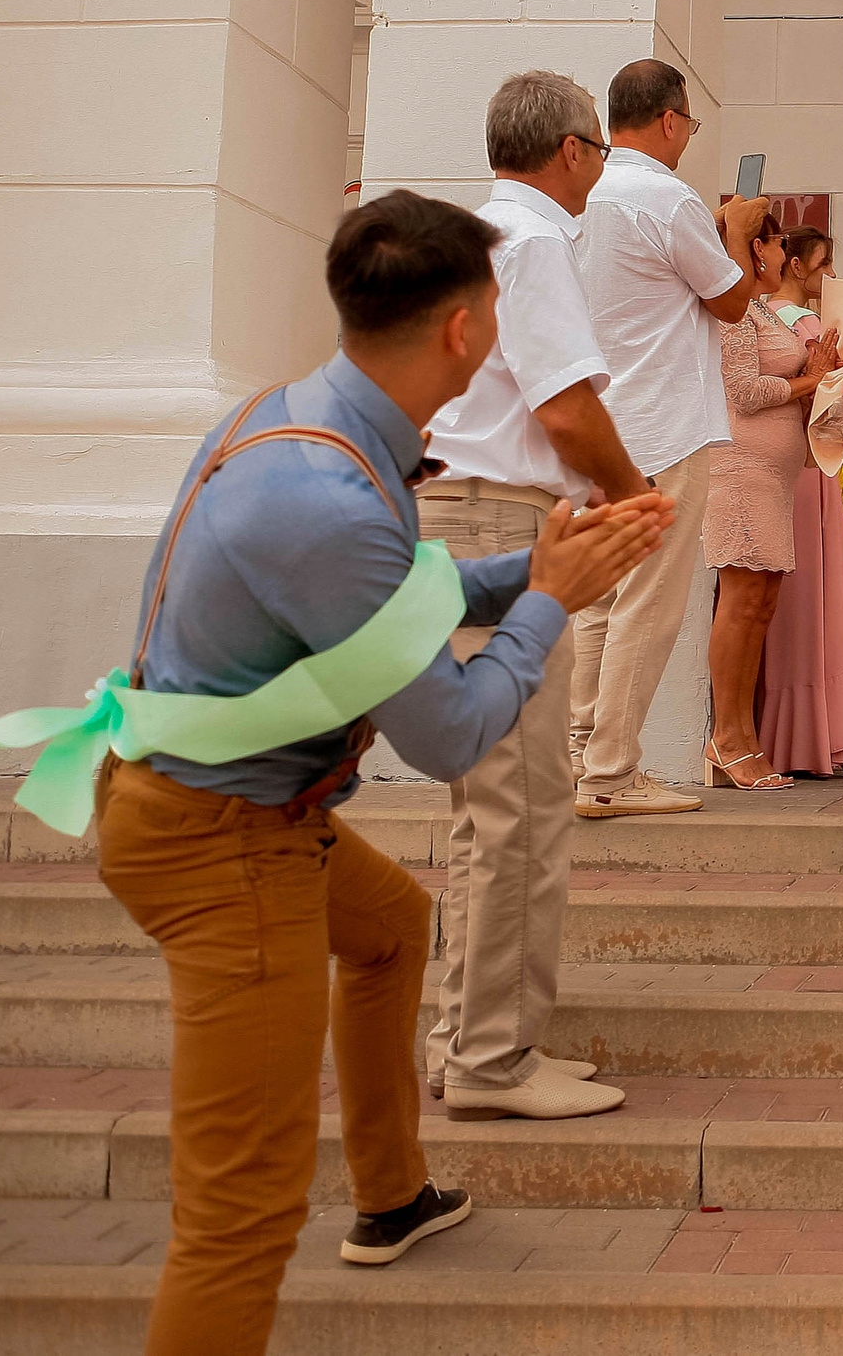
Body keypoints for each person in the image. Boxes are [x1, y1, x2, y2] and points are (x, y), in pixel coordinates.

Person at [95, 190, 667, 1353]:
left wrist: (529, 568)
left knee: (394, 927)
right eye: (497, 309)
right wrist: (550, 604)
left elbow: (394, 594)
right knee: (240, 1216)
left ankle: (393, 1193)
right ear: (464, 329)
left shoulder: (302, 416)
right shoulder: (324, 498)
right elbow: (449, 734)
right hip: (220, 842)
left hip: (224, 803)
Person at [419, 70, 653, 1121]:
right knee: (521, 803)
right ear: (569, 150)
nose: (599, 165)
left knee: (486, 809)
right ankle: (493, 1059)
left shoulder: (469, 236)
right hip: (499, 524)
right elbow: (563, 407)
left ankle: (461, 1038)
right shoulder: (535, 240)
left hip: (454, 515)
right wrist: (633, 492)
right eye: (598, 147)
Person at [567, 58, 765, 818]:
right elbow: (732, 301)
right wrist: (737, 232)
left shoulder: (586, 193)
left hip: (598, 422)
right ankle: (612, 770)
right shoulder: (667, 196)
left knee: (597, 600)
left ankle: (580, 756)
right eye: (688, 124)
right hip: (665, 422)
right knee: (647, 602)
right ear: (671, 120)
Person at [701, 204, 837, 789]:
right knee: (741, 601)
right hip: (742, 468)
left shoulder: (761, 309)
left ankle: (743, 735)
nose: (787, 253)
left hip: (774, 475)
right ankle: (727, 737)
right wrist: (812, 378)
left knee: (762, 603)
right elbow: (743, 391)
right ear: (760, 249)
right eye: (780, 243)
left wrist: (821, 370)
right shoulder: (736, 312)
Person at [759, 227, 843, 777]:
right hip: (807, 468)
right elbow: (830, 407)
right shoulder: (802, 325)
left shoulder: (769, 319)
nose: (830, 274)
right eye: (824, 263)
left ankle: (808, 734)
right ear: (796, 265)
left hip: (803, 468)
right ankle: (830, 737)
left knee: (806, 603)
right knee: (816, 604)